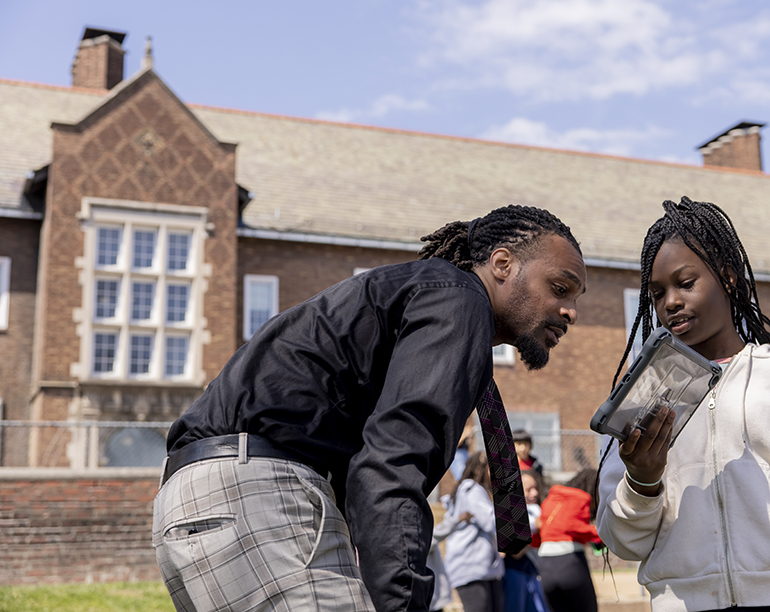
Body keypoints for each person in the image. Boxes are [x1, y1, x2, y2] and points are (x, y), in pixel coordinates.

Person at [151, 205, 587, 612]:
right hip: (258, 495)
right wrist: (405, 601)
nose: (569, 311)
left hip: (199, 501)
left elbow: (365, 467)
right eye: (559, 287)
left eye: (576, 298)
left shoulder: (417, 302)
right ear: (503, 264)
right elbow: (393, 462)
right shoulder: (458, 300)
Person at [596, 196, 770, 612]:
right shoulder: (642, 401)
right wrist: (642, 480)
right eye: (657, 293)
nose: (670, 302)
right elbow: (624, 542)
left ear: (729, 279)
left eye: (686, 283)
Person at [439, 451, 505, 612]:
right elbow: (491, 522)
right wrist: (523, 526)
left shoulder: (473, 490)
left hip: (483, 571)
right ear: (478, 470)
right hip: (471, 569)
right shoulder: (472, 489)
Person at [538, 468, 601, 612]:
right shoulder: (581, 497)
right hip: (569, 563)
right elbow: (572, 525)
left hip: (544, 565)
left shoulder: (551, 498)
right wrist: (601, 534)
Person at [503, 469, 551, 612]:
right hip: (515, 572)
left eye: (535, 488)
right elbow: (515, 553)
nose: (534, 493)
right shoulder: (509, 513)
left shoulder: (537, 509)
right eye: (528, 489)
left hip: (534, 572)